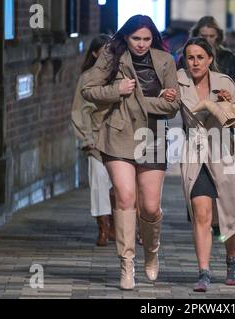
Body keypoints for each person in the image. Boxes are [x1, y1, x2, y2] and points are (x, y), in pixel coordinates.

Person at [81, 15, 180, 290]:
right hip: (118, 133)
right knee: (125, 198)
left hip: (152, 136)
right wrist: (117, 89)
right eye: (136, 38)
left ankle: (152, 251)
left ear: (153, 39)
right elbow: (88, 90)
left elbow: (173, 107)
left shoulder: (165, 61)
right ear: (126, 37)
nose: (141, 44)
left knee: (150, 207)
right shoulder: (112, 56)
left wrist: (138, 100)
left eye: (147, 39)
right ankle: (126, 265)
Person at [163, 37, 235, 292]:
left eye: (200, 57)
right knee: (201, 213)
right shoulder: (177, 79)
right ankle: (204, 271)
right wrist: (165, 97)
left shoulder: (224, 82)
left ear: (209, 59)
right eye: (190, 57)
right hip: (195, 153)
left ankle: (231, 260)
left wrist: (229, 102)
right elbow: (167, 112)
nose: (194, 62)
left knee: (230, 210)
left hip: (225, 151)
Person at [71, 34, 116, 247]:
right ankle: (104, 228)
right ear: (95, 53)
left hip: (119, 139)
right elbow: (79, 111)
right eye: (104, 50)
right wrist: (86, 139)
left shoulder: (120, 75)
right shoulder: (87, 78)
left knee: (120, 186)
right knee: (99, 184)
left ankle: (119, 227)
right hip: (96, 138)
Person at [178, 16, 235, 91]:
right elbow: (180, 83)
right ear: (196, 35)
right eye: (203, 36)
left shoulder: (228, 57)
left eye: (211, 36)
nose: (207, 40)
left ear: (218, 36)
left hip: (222, 99)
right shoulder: (185, 57)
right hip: (193, 99)